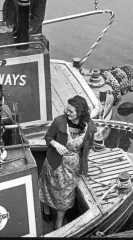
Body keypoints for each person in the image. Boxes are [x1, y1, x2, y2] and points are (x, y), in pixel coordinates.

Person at [38, 95, 97, 230]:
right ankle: (46, 207)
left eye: (70, 111)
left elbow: (89, 144)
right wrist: (56, 144)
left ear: (80, 113)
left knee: (66, 195)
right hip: (54, 162)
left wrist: (93, 146)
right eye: (66, 109)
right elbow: (48, 136)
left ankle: (58, 223)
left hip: (73, 166)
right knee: (49, 188)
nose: (66, 112)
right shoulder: (59, 121)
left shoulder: (89, 126)